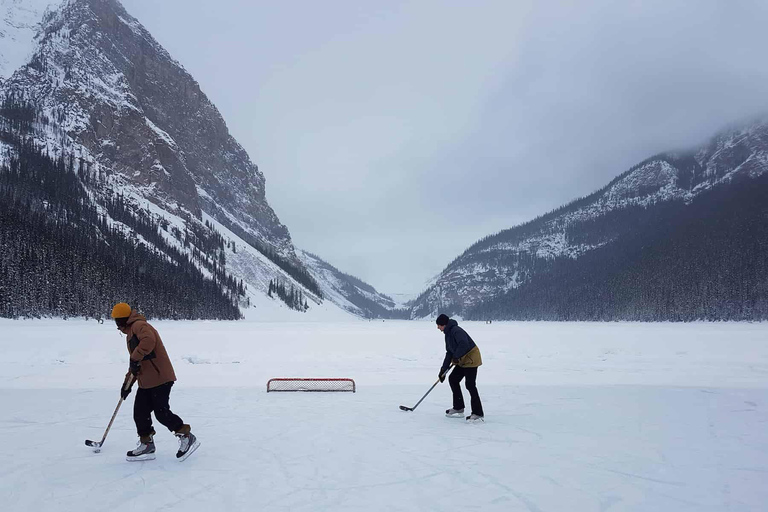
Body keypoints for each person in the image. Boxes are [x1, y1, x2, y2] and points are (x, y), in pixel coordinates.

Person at [111, 302, 200, 461]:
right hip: (147, 381)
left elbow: (148, 341)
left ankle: (186, 436)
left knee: (161, 412)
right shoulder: (131, 332)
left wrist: (134, 358)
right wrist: (126, 386)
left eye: (118, 320)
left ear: (124, 319)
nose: (116, 324)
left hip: (160, 378)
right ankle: (147, 444)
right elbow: (135, 364)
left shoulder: (139, 325)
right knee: (140, 412)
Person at [436, 313, 484, 423]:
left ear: (444, 324)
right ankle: (458, 407)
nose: (438, 327)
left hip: (471, 358)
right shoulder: (447, 334)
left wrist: (457, 356)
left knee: (470, 385)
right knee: (453, 379)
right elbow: (449, 352)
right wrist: (443, 370)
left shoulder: (456, 330)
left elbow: (464, 344)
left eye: (439, 325)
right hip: (462, 359)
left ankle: (478, 413)